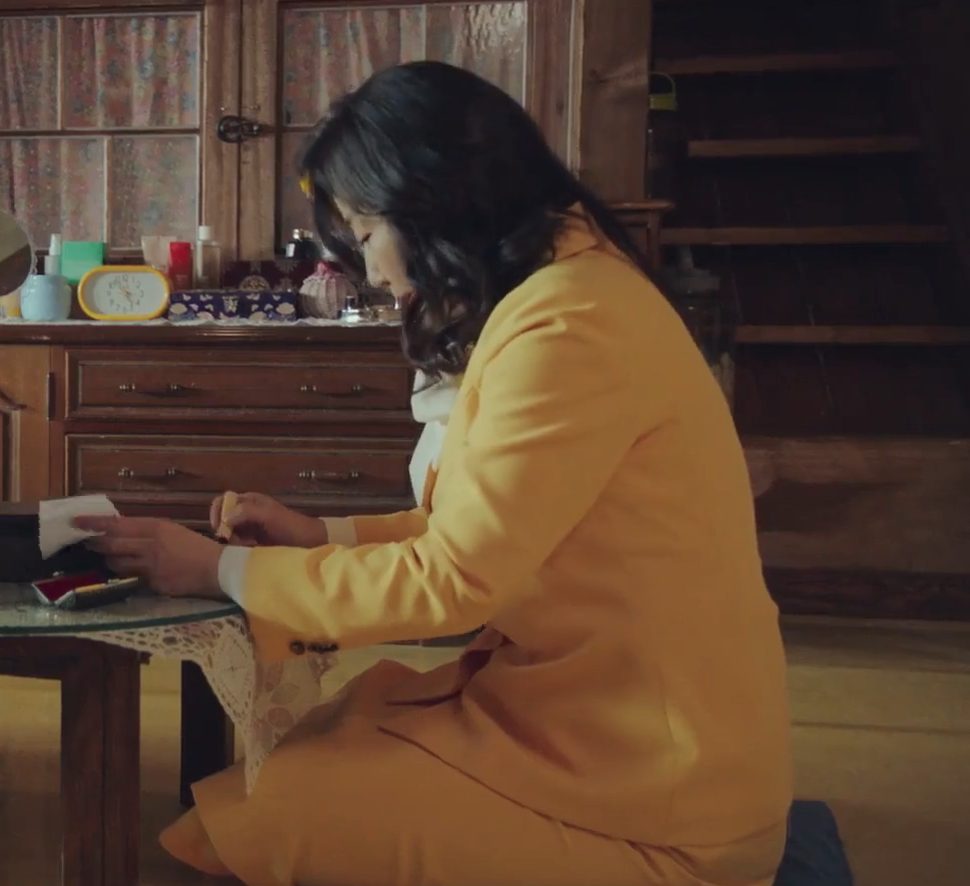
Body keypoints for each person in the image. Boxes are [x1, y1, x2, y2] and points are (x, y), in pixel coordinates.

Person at [75, 61, 793, 886]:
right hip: (589, 720)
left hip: (652, 781)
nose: (376, 272)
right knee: (303, 762)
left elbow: (454, 578)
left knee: (277, 813)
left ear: (432, 203)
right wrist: (319, 533)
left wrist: (218, 570)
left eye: (365, 234)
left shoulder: (568, 324)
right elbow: (481, 525)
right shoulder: (566, 293)